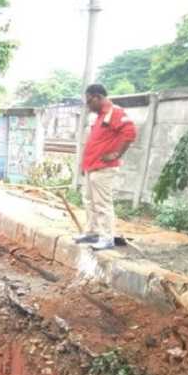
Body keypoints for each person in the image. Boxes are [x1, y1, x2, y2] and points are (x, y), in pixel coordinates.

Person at [76, 84, 137, 251]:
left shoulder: (115, 112)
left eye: (89, 101)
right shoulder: (99, 116)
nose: (88, 105)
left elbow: (130, 133)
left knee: (102, 203)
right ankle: (92, 232)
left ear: (97, 97)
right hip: (92, 167)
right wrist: (85, 165)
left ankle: (106, 237)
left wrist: (117, 154)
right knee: (89, 201)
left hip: (104, 168)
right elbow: (96, 142)